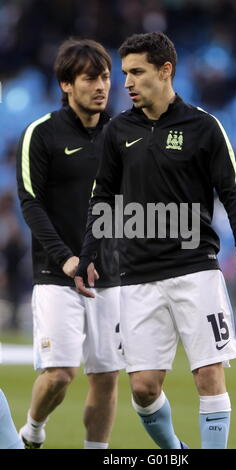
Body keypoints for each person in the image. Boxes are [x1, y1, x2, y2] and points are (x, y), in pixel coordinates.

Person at [75, 32, 236, 449]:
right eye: (125, 72)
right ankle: (176, 453)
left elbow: (234, 197)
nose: (126, 82)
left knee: (208, 373)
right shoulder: (118, 132)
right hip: (137, 275)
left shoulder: (203, 126)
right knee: (144, 389)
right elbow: (102, 197)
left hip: (195, 271)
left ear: (165, 71)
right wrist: (89, 254)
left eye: (136, 72)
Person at [16, 38, 124, 449]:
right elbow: (30, 201)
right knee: (60, 373)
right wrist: (65, 258)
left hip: (110, 275)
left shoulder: (122, 134)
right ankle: (34, 429)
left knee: (106, 376)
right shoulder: (40, 134)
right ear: (66, 84)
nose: (101, 86)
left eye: (106, 77)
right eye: (90, 78)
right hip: (55, 273)